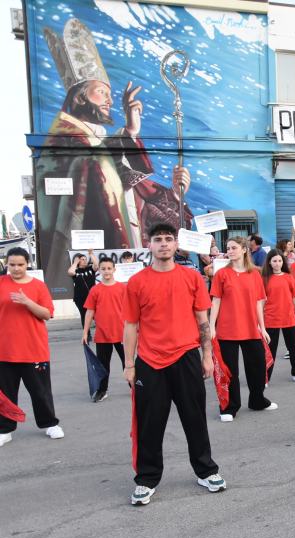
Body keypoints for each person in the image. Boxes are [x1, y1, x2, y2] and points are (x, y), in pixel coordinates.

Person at [38, 19, 191, 290]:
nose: (109, 101)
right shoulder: (66, 139)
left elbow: (127, 183)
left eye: (110, 94)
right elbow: (101, 171)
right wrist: (126, 136)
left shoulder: (97, 140)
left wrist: (130, 132)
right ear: (80, 97)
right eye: (102, 93)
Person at [122, 223, 224, 505]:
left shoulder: (191, 278)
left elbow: (202, 321)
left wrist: (207, 357)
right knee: (150, 425)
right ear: (150, 245)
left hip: (186, 357)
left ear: (176, 245)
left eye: (169, 239)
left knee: (195, 418)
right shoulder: (137, 282)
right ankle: (146, 478)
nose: (164, 244)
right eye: (158, 240)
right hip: (150, 362)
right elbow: (130, 326)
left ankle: (206, 470)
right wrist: (130, 365)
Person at [0, 247, 64, 447]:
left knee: (41, 391)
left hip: (34, 349)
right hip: (5, 351)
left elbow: (46, 314)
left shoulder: (38, 286)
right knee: (6, 394)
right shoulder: (1, 284)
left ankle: (49, 424)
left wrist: (27, 301)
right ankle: (5, 429)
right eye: (12, 265)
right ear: (6, 264)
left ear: (28, 263)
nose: (16, 269)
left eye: (20, 264)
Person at [209, 237, 276, 422]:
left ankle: (257, 400)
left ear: (244, 250)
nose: (230, 251)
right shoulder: (222, 274)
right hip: (226, 329)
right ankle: (230, 407)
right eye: (228, 248)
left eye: (233, 248)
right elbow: (216, 301)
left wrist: (262, 328)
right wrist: (211, 326)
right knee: (230, 371)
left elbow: (258, 303)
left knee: (257, 366)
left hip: (250, 328)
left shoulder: (254, 274)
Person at [82, 257, 126, 402]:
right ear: (99, 270)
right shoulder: (95, 290)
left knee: (128, 362)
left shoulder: (122, 288)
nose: (106, 271)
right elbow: (89, 312)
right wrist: (85, 332)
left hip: (122, 334)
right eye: (103, 269)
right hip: (103, 334)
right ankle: (102, 390)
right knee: (102, 366)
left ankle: (136, 388)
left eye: (109, 268)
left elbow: (131, 310)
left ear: (114, 269)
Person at [262, 249, 295, 383]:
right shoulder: (264, 279)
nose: (277, 263)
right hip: (271, 319)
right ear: (269, 262)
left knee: (293, 348)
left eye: (280, 260)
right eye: (274, 261)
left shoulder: (289, 277)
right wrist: (259, 323)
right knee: (270, 351)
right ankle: (265, 378)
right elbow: (261, 301)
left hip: (289, 318)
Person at [68, 249, 96, 327]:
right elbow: (70, 272)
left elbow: (96, 265)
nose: (84, 261)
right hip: (80, 298)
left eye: (85, 259)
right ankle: (87, 334)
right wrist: (75, 262)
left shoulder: (90, 269)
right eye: (82, 259)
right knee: (84, 315)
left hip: (92, 297)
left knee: (97, 314)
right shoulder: (76, 271)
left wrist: (91, 254)